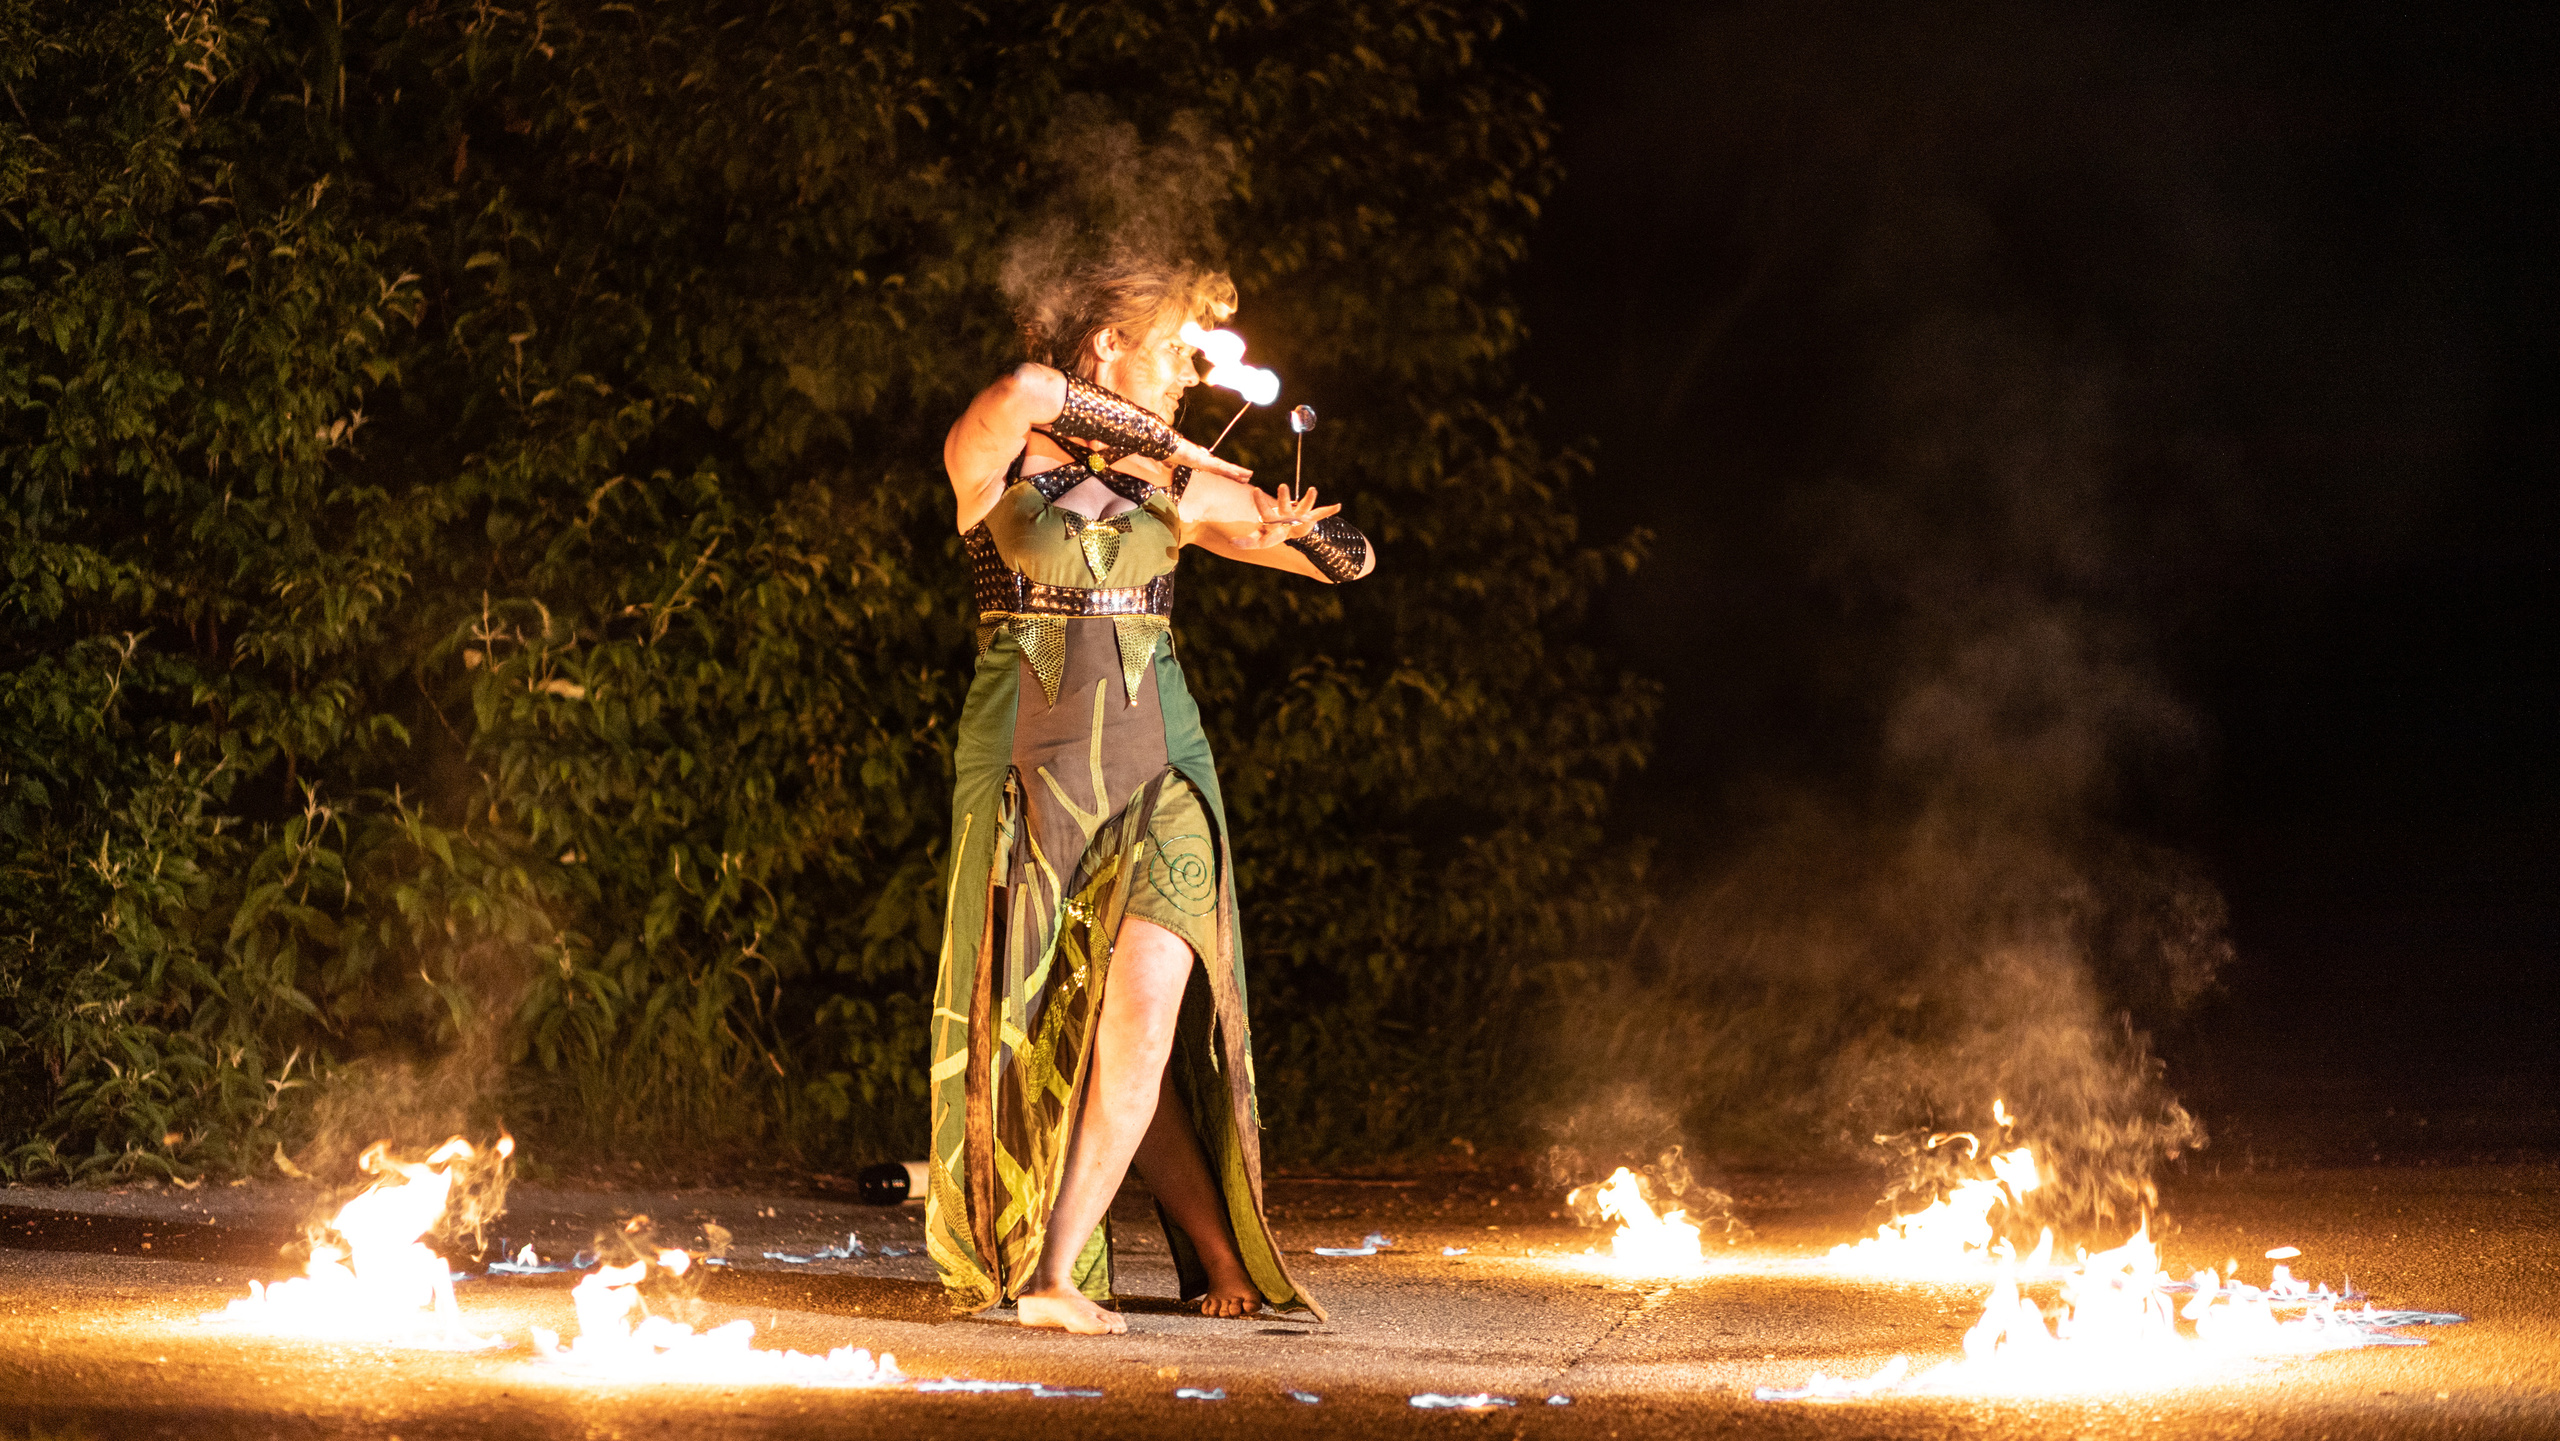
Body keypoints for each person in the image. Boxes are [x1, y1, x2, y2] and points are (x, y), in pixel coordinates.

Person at [924, 256, 1374, 1334]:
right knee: (1041, 1022)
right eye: (1173, 348)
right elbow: (1030, 392)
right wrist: (1163, 443)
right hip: (1032, 769)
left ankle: (1054, 1279)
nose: (1187, 371)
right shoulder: (996, 460)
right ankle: (1164, 1253)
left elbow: (1351, 562)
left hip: (1162, 767)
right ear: (1106, 347)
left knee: (1141, 1014)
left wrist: (1287, 522)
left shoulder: (1170, 487)